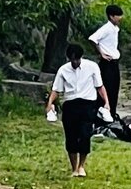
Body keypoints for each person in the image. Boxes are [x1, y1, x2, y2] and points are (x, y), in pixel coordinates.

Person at [45, 43, 111, 178]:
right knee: (71, 136)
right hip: (70, 105)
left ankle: (81, 165)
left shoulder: (92, 67)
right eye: (72, 60)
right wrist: (50, 104)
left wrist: (106, 103)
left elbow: (99, 86)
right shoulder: (63, 70)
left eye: (77, 59)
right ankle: (74, 167)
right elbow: (56, 89)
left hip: (87, 104)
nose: (75, 62)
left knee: (85, 134)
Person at [89, 4, 124, 119]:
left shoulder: (114, 29)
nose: (120, 18)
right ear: (111, 16)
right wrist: (101, 53)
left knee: (114, 88)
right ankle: (102, 113)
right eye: (117, 15)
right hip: (107, 63)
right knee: (106, 88)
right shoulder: (107, 28)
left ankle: (111, 113)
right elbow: (93, 38)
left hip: (114, 62)